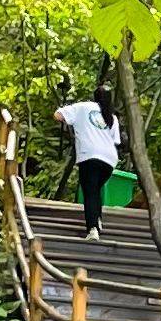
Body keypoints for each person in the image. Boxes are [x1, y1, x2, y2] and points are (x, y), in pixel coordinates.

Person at [55, 88, 122, 238]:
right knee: (95, 189)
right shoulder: (111, 117)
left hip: (90, 155)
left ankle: (92, 228)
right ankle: (97, 219)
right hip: (109, 159)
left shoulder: (83, 107)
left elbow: (58, 115)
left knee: (90, 192)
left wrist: (73, 125)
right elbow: (116, 140)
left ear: (94, 96)